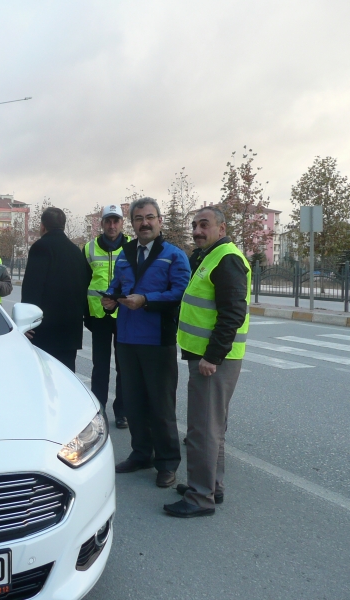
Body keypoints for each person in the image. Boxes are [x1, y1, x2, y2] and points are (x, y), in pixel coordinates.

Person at [163, 205, 250, 518]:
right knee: (213, 428)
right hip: (205, 356)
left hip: (212, 360)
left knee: (202, 429)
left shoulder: (226, 259)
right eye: (195, 225)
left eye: (205, 225)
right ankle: (212, 485)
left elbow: (232, 313)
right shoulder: (207, 256)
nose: (198, 231)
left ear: (222, 229)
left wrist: (212, 357)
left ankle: (200, 498)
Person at [101, 198, 190, 488]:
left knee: (161, 405)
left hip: (157, 340)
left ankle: (166, 463)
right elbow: (117, 286)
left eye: (150, 217)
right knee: (134, 401)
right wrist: (109, 302)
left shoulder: (173, 255)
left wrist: (147, 300)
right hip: (126, 338)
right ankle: (141, 453)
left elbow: (180, 293)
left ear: (160, 221)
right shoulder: (125, 255)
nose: (145, 223)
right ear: (133, 224)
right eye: (138, 218)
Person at [22, 207, 91, 372]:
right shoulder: (76, 251)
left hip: (44, 332)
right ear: (64, 226)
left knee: (44, 377)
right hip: (70, 332)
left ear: (43, 226)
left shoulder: (40, 247)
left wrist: (25, 323)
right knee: (66, 378)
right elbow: (83, 287)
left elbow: (33, 287)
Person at [85, 205, 131, 428]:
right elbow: (82, 283)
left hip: (126, 315)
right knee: (100, 365)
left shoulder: (133, 246)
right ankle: (99, 408)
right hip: (99, 315)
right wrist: (86, 315)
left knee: (124, 366)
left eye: (116, 221)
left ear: (122, 223)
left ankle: (122, 412)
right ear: (101, 224)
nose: (112, 226)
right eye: (108, 221)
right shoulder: (89, 248)